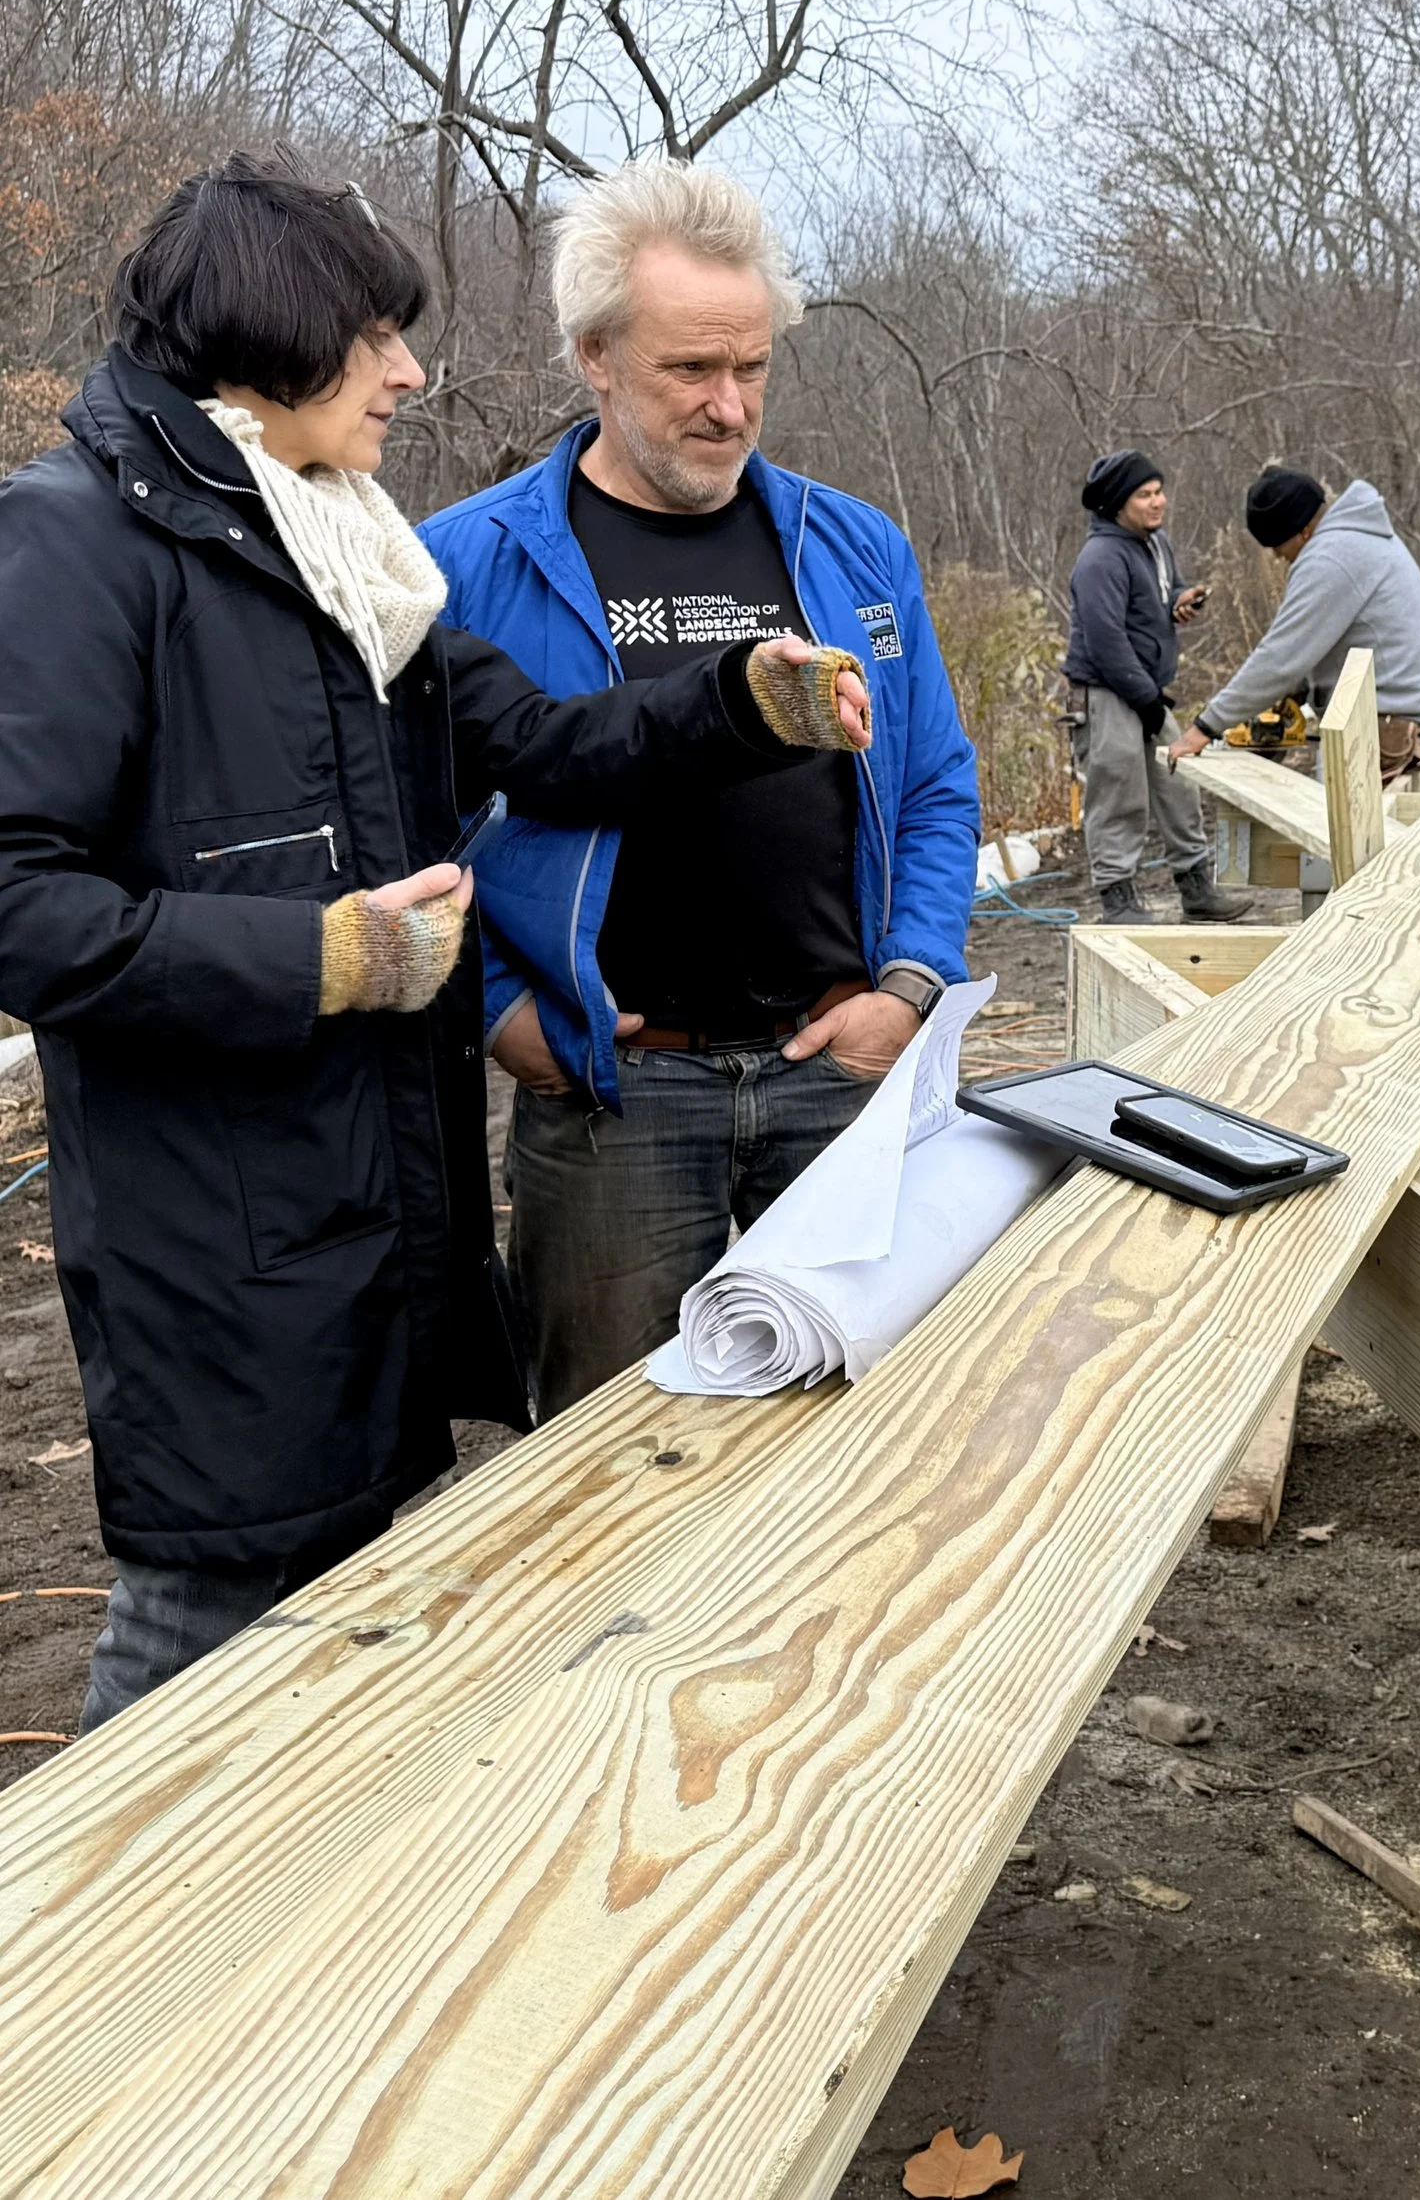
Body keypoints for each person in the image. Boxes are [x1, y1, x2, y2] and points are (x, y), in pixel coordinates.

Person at [0, 154, 875, 1726]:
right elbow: (16, 899)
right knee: (204, 1611)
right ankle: (75, 1958)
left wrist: (742, 705)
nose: (409, 371)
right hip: (213, 1233)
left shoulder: (347, 553)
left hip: (367, 1203)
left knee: (327, 1615)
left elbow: (545, 744)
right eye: (375, 337)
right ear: (264, 341)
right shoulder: (75, 547)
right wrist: (322, 959)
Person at [422, 160, 982, 1421]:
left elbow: (938, 782)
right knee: (605, 1465)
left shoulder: (853, 546)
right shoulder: (468, 562)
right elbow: (402, 832)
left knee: (859, 1440)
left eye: (754, 368)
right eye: (690, 371)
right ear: (596, 356)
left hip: (838, 1072)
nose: (730, 407)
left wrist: (907, 988)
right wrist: (500, 1006)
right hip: (616, 1097)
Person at [1170, 467, 1420, 785]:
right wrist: (1300, 689)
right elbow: (1329, 639)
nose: (1277, 556)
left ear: (1303, 531)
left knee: (1331, 827)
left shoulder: (1330, 558)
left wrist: (1206, 726)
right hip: (1418, 709)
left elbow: (1280, 658)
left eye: (1278, 545)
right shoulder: (1359, 534)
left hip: (1395, 726)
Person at [1061, 449, 1252, 922]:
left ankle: (1196, 888)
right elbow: (1105, 641)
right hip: (1107, 693)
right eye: (1144, 494)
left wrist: (1179, 601)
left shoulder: (1153, 543)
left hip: (1145, 690)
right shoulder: (1100, 558)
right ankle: (1118, 900)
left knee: (1180, 784)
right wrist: (1147, 700)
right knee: (1118, 792)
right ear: (1117, 503)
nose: (1157, 501)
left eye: (1159, 491)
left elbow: (1157, 597)